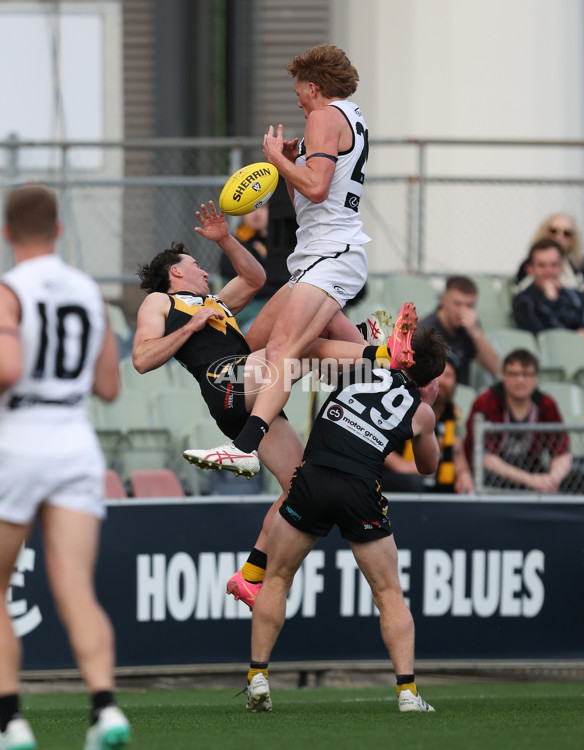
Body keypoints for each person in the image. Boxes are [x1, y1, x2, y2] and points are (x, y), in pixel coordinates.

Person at [132, 202, 392, 611]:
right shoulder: (162, 303)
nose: (204, 270)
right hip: (227, 382)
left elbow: (254, 277)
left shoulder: (216, 302)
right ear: (176, 273)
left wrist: (225, 239)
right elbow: (142, 359)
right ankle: (380, 355)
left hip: (256, 390)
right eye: (196, 264)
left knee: (301, 488)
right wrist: (191, 328)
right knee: (290, 345)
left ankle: (251, 573)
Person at [186, 43, 372, 477]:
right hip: (315, 256)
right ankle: (382, 357)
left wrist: (274, 159)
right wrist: (289, 165)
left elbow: (319, 188)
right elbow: (310, 196)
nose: (299, 101)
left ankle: (247, 444)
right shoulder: (350, 117)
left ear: (313, 86)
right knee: (252, 351)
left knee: (280, 349)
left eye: (299, 93)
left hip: (332, 254)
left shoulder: (325, 116)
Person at [243, 323, 449, 715]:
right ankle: (407, 692)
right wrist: (427, 412)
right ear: (432, 377)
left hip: (314, 478)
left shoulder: (362, 364)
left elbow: (317, 347)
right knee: (388, 593)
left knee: (278, 578)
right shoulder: (420, 411)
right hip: (360, 490)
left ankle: (257, 677)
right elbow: (428, 466)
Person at [0, 185, 131, 750]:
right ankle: (104, 709)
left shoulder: (9, 290)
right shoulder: (87, 291)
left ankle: (11, 722)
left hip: (19, 441)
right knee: (76, 587)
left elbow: (7, 368)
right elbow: (108, 385)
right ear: (58, 231)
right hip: (75, 440)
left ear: (7, 235)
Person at [463, 349, 584, 492]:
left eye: (527, 374)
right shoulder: (485, 402)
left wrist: (553, 479)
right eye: (514, 374)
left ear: (535, 377)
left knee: (578, 480)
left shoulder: (546, 404)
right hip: (495, 470)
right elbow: (483, 456)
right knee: (489, 479)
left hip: (532, 465)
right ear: (503, 375)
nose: (520, 380)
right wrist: (531, 481)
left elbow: (561, 450)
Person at [381, 352, 474, 494]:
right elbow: (376, 438)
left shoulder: (452, 413)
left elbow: (457, 452)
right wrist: (402, 466)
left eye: (448, 376)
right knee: (412, 483)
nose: (442, 381)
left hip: (430, 479)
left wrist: (463, 474)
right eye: (438, 374)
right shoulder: (402, 401)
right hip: (392, 478)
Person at [512, 239, 584, 340]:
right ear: (530, 269)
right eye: (542, 265)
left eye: (553, 265)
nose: (548, 271)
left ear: (561, 267)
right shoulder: (523, 301)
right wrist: (550, 301)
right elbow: (544, 335)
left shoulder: (577, 297)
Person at [419, 275, 500, 385]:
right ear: (443, 301)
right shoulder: (425, 330)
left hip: (461, 394)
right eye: (457, 304)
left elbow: (495, 369)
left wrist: (476, 333)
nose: (463, 311)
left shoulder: (471, 326)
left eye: (469, 305)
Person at [219, 205, 277, 332]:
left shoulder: (277, 242)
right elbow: (252, 286)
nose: (256, 214)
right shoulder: (235, 246)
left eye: (263, 208)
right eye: (251, 209)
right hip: (245, 314)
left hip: (271, 308)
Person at [513, 212, 584, 294]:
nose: (559, 237)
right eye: (553, 231)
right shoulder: (529, 264)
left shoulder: (574, 268)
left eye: (566, 233)